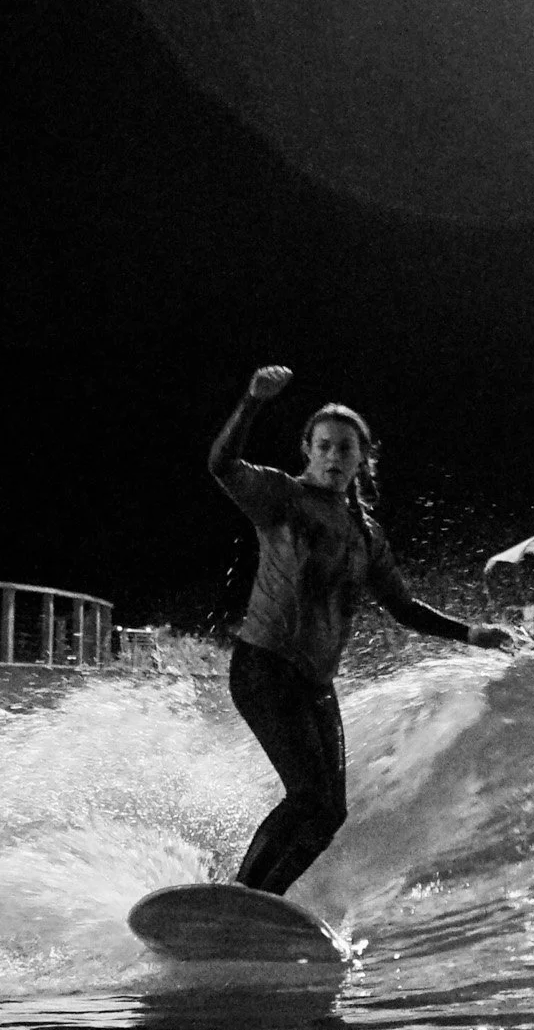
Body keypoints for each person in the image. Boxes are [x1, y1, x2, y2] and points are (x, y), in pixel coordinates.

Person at [209, 364, 517, 896]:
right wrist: (252, 402)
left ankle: (262, 906)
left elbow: (401, 606)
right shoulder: (280, 497)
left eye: (344, 449)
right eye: (323, 446)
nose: (333, 456)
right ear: (307, 449)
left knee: (329, 814)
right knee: (307, 797)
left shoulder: (366, 534)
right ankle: (240, 896)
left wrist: (471, 633)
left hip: (314, 683)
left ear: (361, 458)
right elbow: (222, 464)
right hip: (264, 666)